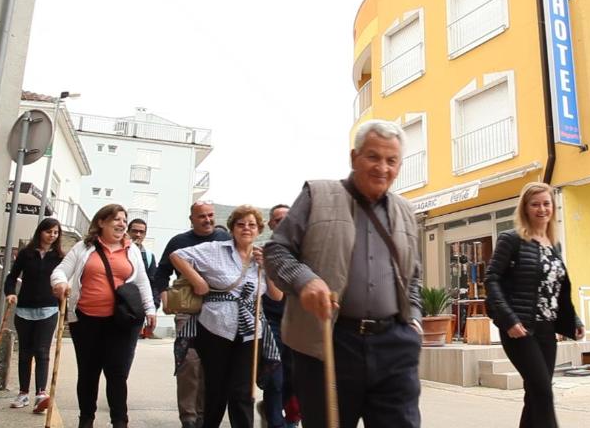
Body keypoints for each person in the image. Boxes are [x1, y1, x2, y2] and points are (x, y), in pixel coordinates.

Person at [265, 119, 423, 428]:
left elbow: (413, 275)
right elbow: (276, 251)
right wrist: (304, 280)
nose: (382, 168)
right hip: (329, 344)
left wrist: (413, 318)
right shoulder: (317, 194)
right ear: (354, 157)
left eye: (391, 161)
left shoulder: (406, 210)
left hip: (394, 345)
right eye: (373, 157)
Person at [169, 205, 284, 428]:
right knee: (216, 389)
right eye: (241, 224)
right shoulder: (215, 249)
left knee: (242, 392)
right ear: (232, 228)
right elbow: (177, 255)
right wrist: (198, 281)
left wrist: (268, 267)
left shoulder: (264, 255)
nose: (246, 229)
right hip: (214, 328)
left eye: (252, 225)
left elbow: (277, 296)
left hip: (250, 332)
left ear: (259, 230)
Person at [485, 182, 584, 428]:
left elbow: (557, 289)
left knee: (535, 394)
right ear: (525, 208)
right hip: (520, 328)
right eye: (535, 204)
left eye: (546, 203)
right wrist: (509, 320)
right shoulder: (512, 239)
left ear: (553, 207)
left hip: (547, 330)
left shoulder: (554, 244)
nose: (542, 209)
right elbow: (491, 278)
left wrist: (574, 320)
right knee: (543, 392)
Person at [50, 204, 156, 428]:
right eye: (116, 219)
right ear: (101, 222)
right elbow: (61, 270)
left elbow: (142, 281)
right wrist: (60, 283)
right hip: (87, 320)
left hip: (121, 321)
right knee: (88, 373)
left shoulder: (132, 249)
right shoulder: (83, 247)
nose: (121, 224)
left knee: (117, 374)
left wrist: (150, 309)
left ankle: (119, 422)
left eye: (123, 220)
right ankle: (86, 419)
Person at [153, 201, 231, 428]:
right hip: (187, 310)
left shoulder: (224, 239)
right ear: (191, 219)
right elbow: (161, 273)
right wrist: (164, 295)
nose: (207, 220)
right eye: (201, 216)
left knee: (211, 366)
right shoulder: (178, 242)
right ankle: (188, 418)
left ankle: (204, 417)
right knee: (189, 363)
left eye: (210, 215)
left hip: (219, 311)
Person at [5, 217, 65, 414]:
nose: (52, 235)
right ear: (41, 232)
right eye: (49, 231)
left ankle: (41, 393)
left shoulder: (59, 257)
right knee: (25, 352)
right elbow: (12, 277)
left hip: (48, 310)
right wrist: (11, 293)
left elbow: (65, 279)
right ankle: (23, 393)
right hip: (24, 310)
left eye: (55, 233)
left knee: (42, 351)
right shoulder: (26, 254)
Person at [257, 204, 299, 428]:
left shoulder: (305, 249)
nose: (282, 222)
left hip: (301, 321)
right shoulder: (263, 251)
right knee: (274, 374)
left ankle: (289, 416)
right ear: (271, 224)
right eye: (277, 219)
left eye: (287, 218)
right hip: (271, 320)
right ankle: (277, 422)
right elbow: (273, 296)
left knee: (295, 376)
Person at [128, 218, 157, 283]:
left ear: (145, 234)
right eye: (134, 231)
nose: (138, 234)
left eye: (141, 232)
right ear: (128, 232)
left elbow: (152, 281)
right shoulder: (119, 251)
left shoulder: (149, 256)